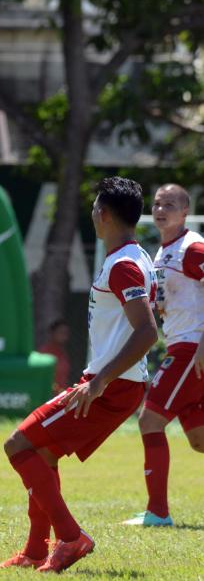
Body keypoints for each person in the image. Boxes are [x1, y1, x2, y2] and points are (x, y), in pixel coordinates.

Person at [0, 177, 157, 573]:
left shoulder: (123, 266)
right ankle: (35, 550)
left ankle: (71, 538)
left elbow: (148, 331)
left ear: (102, 214)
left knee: (17, 445)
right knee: (43, 455)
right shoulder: (135, 257)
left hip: (110, 386)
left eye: (94, 207)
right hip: (115, 383)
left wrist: (98, 381)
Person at [122, 183, 204, 527]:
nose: (161, 209)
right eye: (157, 203)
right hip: (179, 346)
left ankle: (158, 513)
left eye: (170, 204)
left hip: (191, 348)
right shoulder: (161, 252)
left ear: (185, 211)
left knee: (149, 420)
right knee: (200, 440)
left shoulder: (193, 247)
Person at [38, 319, 73, 394]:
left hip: (61, 394)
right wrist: (59, 391)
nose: (64, 336)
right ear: (52, 333)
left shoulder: (63, 353)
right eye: (61, 332)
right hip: (48, 395)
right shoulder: (44, 353)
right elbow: (43, 379)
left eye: (66, 333)